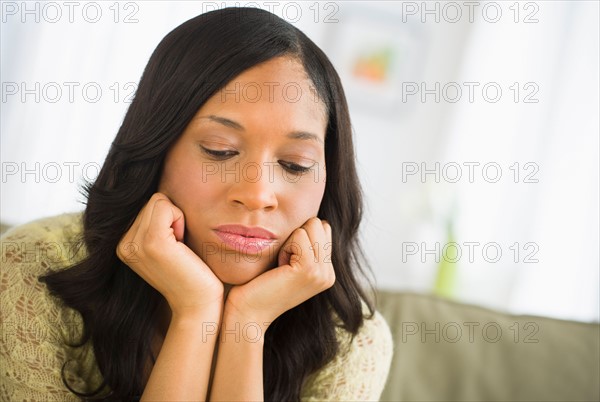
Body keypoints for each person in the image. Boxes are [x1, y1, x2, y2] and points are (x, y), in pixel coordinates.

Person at [0, 7, 393, 401]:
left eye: (295, 164)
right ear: (155, 150)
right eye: (219, 151)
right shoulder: (28, 272)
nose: (257, 194)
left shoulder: (353, 340)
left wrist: (246, 325)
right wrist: (195, 312)